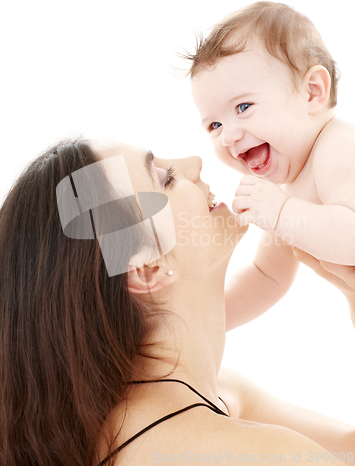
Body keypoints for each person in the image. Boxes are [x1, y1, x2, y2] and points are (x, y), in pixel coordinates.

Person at [0, 137, 354, 466]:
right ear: (148, 269)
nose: (195, 162)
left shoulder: (213, 396)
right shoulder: (270, 456)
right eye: (165, 178)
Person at [189, 1, 355, 330]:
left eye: (244, 106)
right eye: (214, 126)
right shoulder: (286, 193)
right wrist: (200, 322)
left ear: (312, 93)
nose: (228, 137)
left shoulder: (337, 147)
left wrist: (280, 213)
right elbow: (266, 278)